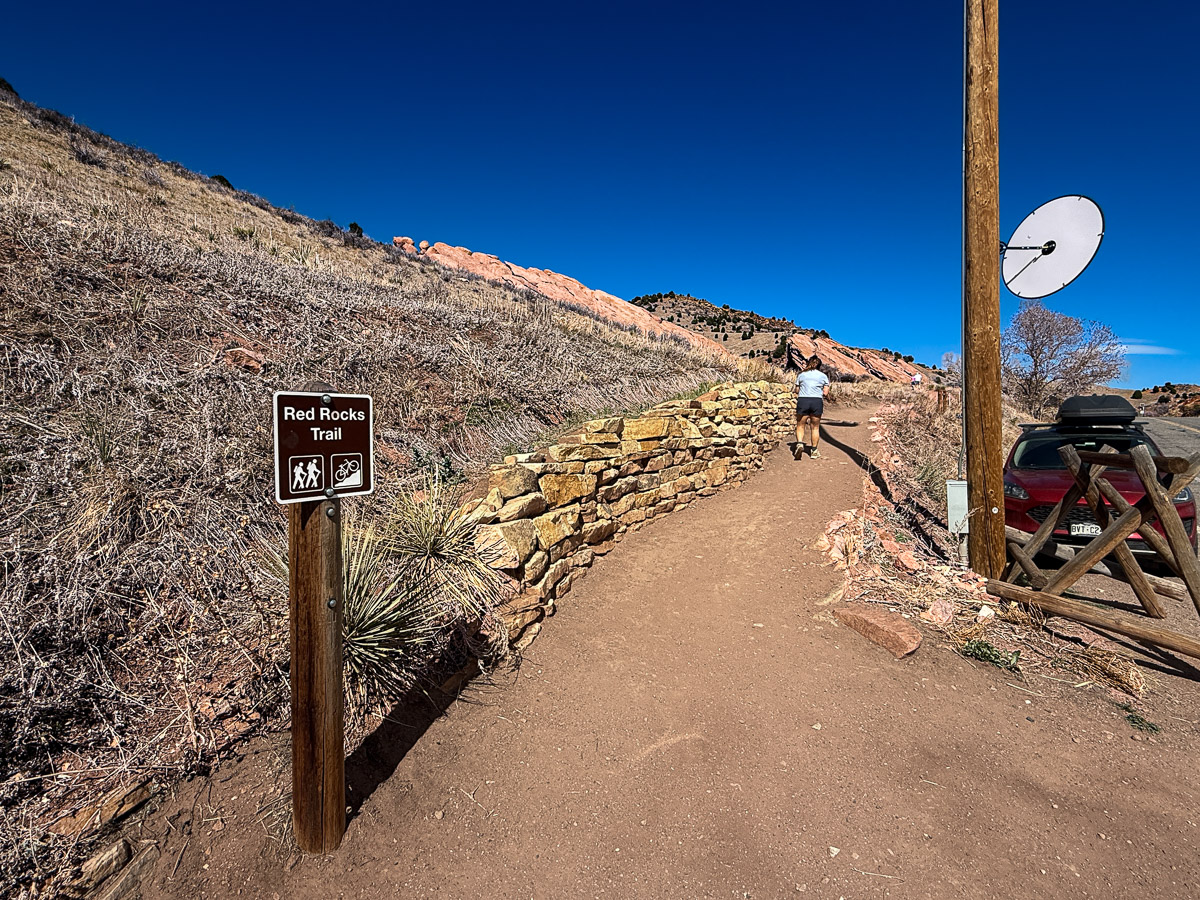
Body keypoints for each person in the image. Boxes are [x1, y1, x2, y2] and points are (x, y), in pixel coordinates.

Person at [794, 356, 830, 459]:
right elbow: (825, 392)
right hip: (816, 401)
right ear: (819, 365)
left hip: (803, 400)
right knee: (815, 427)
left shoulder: (801, 375)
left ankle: (800, 444)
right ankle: (814, 451)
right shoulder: (823, 376)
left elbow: (796, 390)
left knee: (800, 425)